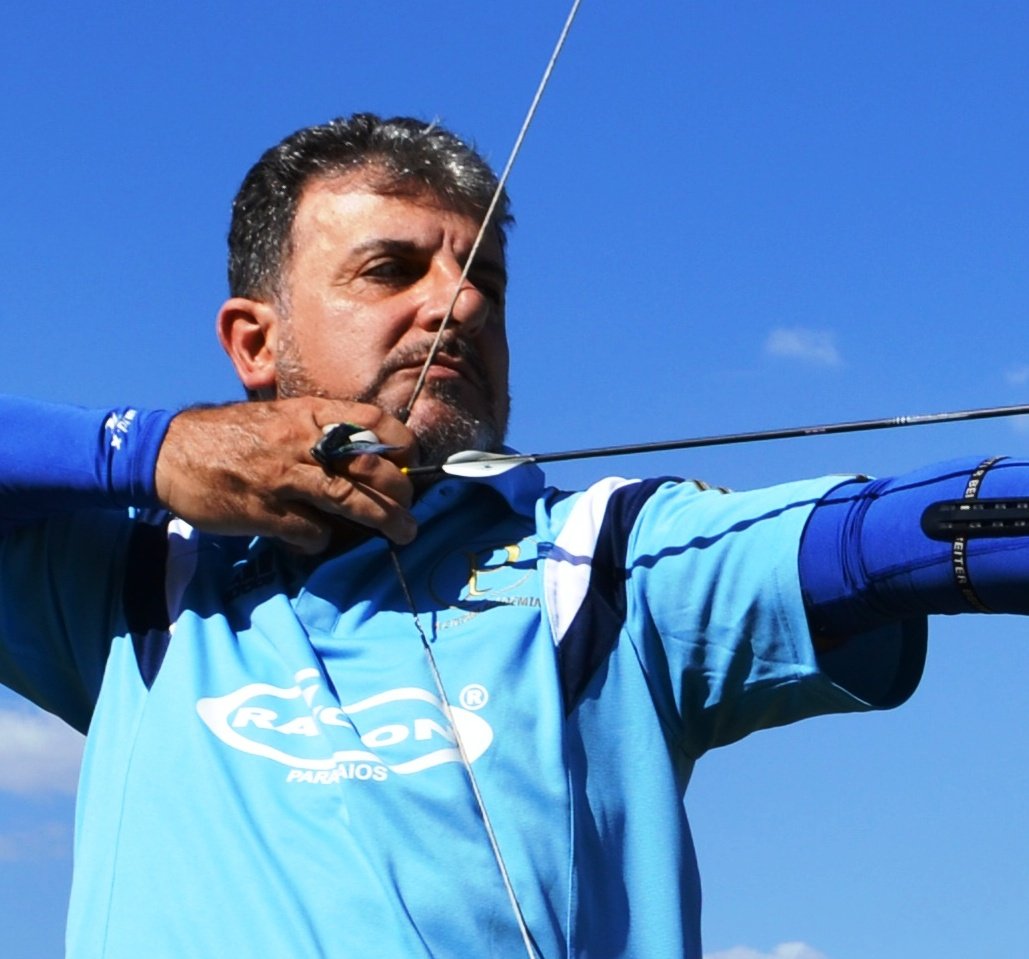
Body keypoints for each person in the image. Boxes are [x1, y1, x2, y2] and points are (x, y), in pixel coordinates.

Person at [0, 113, 1026, 959]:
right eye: (390, 269)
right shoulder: (136, 573)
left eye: (483, 276)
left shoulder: (608, 556)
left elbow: (892, 535)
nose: (459, 303)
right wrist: (149, 450)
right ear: (254, 342)